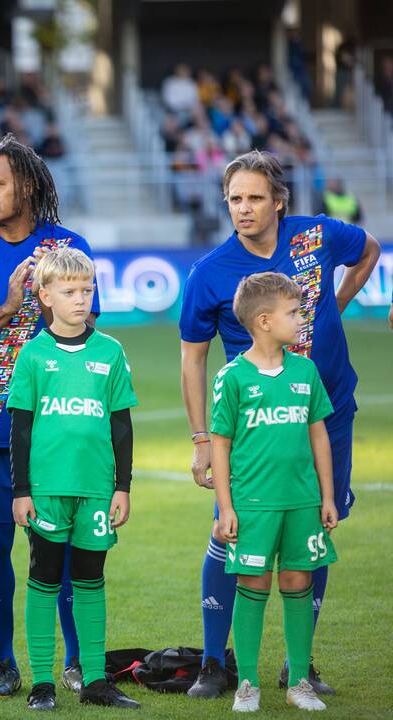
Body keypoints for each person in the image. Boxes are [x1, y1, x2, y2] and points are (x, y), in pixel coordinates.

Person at [180, 150, 381, 698]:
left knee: (313, 530)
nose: (243, 209)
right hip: (252, 430)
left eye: (254, 198)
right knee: (233, 530)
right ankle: (214, 662)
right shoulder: (210, 272)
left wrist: (335, 303)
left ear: (279, 201)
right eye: (234, 199)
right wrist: (201, 439)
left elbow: (369, 249)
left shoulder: (317, 236)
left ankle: (300, 664)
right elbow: (193, 359)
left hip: (328, 411)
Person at [0, 133, 101, 697]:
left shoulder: (67, 245)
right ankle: (5, 663)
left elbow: (86, 331)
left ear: (26, 185)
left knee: (66, 546)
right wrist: (9, 309)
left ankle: (77, 661)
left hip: (56, 428)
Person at [7, 247, 140, 711]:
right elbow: (20, 428)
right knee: (44, 579)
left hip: (97, 490)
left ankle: (97, 680)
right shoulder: (32, 355)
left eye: (87, 290)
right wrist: (21, 490)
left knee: (90, 579)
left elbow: (121, 424)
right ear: (45, 296)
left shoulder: (110, 351)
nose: (81, 299)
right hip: (45, 489)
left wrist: (122, 485)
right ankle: (42, 681)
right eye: (69, 291)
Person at [209, 273, 338, 713]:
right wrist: (225, 506)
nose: (301, 320)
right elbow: (220, 445)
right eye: (294, 313)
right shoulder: (232, 378)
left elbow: (319, 435)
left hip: (302, 502)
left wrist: (327, 496)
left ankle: (299, 680)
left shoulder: (305, 370)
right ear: (264, 321)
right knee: (253, 583)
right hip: (253, 505)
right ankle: (247, 683)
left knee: (298, 582)